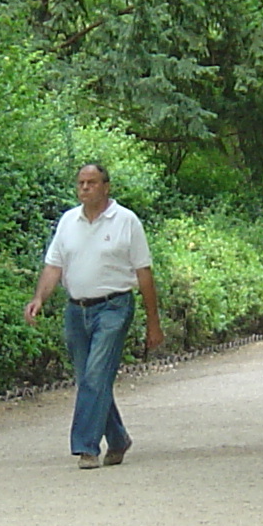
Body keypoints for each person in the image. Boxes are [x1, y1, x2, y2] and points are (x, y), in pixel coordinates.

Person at [24, 162, 163, 469]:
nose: (85, 188)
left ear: (106, 186)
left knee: (96, 376)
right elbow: (53, 267)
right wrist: (39, 298)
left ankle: (86, 447)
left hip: (114, 307)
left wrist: (154, 323)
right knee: (89, 379)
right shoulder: (67, 222)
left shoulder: (126, 221)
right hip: (77, 310)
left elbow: (144, 273)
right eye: (81, 183)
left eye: (92, 182)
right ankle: (118, 439)